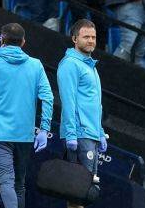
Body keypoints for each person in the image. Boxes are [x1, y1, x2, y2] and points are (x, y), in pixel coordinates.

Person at [0, 23, 54, 208]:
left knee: (6, 183)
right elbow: (48, 97)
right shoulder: (36, 65)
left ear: (2, 40)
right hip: (24, 135)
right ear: (23, 42)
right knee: (19, 186)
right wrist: (44, 129)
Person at [57, 19, 108, 208]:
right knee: (77, 192)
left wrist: (100, 132)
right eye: (86, 36)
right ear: (74, 39)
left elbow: (95, 105)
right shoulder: (70, 64)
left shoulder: (90, 66)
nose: (91, 41)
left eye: (93, 37)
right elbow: (68, 102)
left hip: (91, 134)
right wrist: (71, 134)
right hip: (79, 134)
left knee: (86, 192)